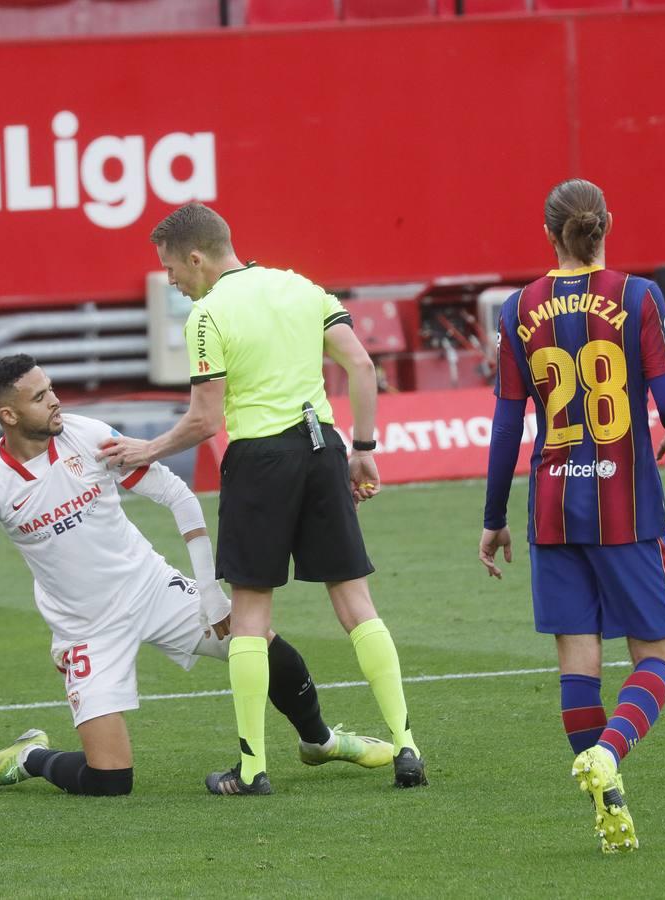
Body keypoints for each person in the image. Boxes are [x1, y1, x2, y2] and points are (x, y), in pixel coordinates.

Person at [98, 203, 426, 795]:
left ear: (195, 258)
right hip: (323, 447)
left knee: (250, 615)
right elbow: (360, 362)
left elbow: (204, 421)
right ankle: (407, 745)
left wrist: (148, 449)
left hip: (260, 459)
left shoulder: (207, 315)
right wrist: (363, 446)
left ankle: (252, 770)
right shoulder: (301, 286)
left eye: (172, 268)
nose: (171, 280)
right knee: (356, 602)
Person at [0, 355, 393, 797]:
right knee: (109, 781)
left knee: (259, 644)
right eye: (40, 396)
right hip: (85, 628)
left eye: (50, 388)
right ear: (8, 415)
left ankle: (320, 741)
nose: (55, 401)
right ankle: (31, 756)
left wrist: (210, 592)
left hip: (151, 588)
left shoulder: (86, 435)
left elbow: (176, 495)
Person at [478, 178, 665, 853]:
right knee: (657, 653)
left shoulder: (516, 309)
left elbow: (507, 423)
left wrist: (493, 519)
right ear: (607, 225)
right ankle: (611, 751)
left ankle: (607, 808)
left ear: (549, 234)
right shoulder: (639, 296)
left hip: (551, 507)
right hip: (624, 506)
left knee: (579, 660)